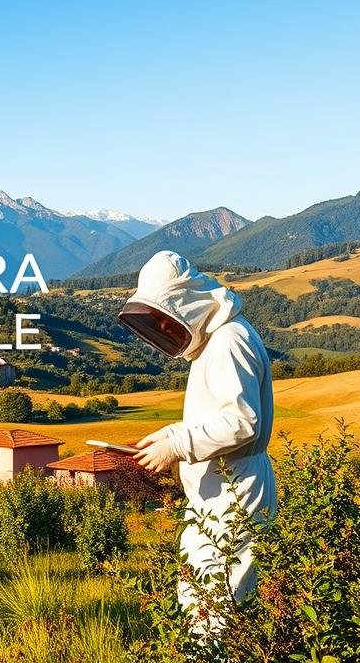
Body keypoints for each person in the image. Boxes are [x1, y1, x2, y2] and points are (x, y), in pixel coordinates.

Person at [117, 250, 276, 622]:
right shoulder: (214, 342)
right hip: (218, 492)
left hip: (236, 492)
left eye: (164, 318)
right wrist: (169, 434)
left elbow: (241, 421)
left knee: (218, 608)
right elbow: (215, 415)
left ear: (185, 303)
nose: (165, 329)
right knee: (199, 597)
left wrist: (176, 445)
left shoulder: (228, 342)